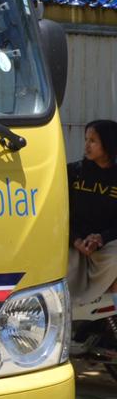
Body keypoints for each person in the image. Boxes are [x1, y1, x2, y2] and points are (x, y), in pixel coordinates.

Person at [68, 119, 117, 319]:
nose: (87, 145)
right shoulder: (73, 172)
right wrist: (75, 239)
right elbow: (58, 214)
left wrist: (101, 238)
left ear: (108, 143)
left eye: (93, 140)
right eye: (86, 139)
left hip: (106, 244)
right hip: (73, 243)